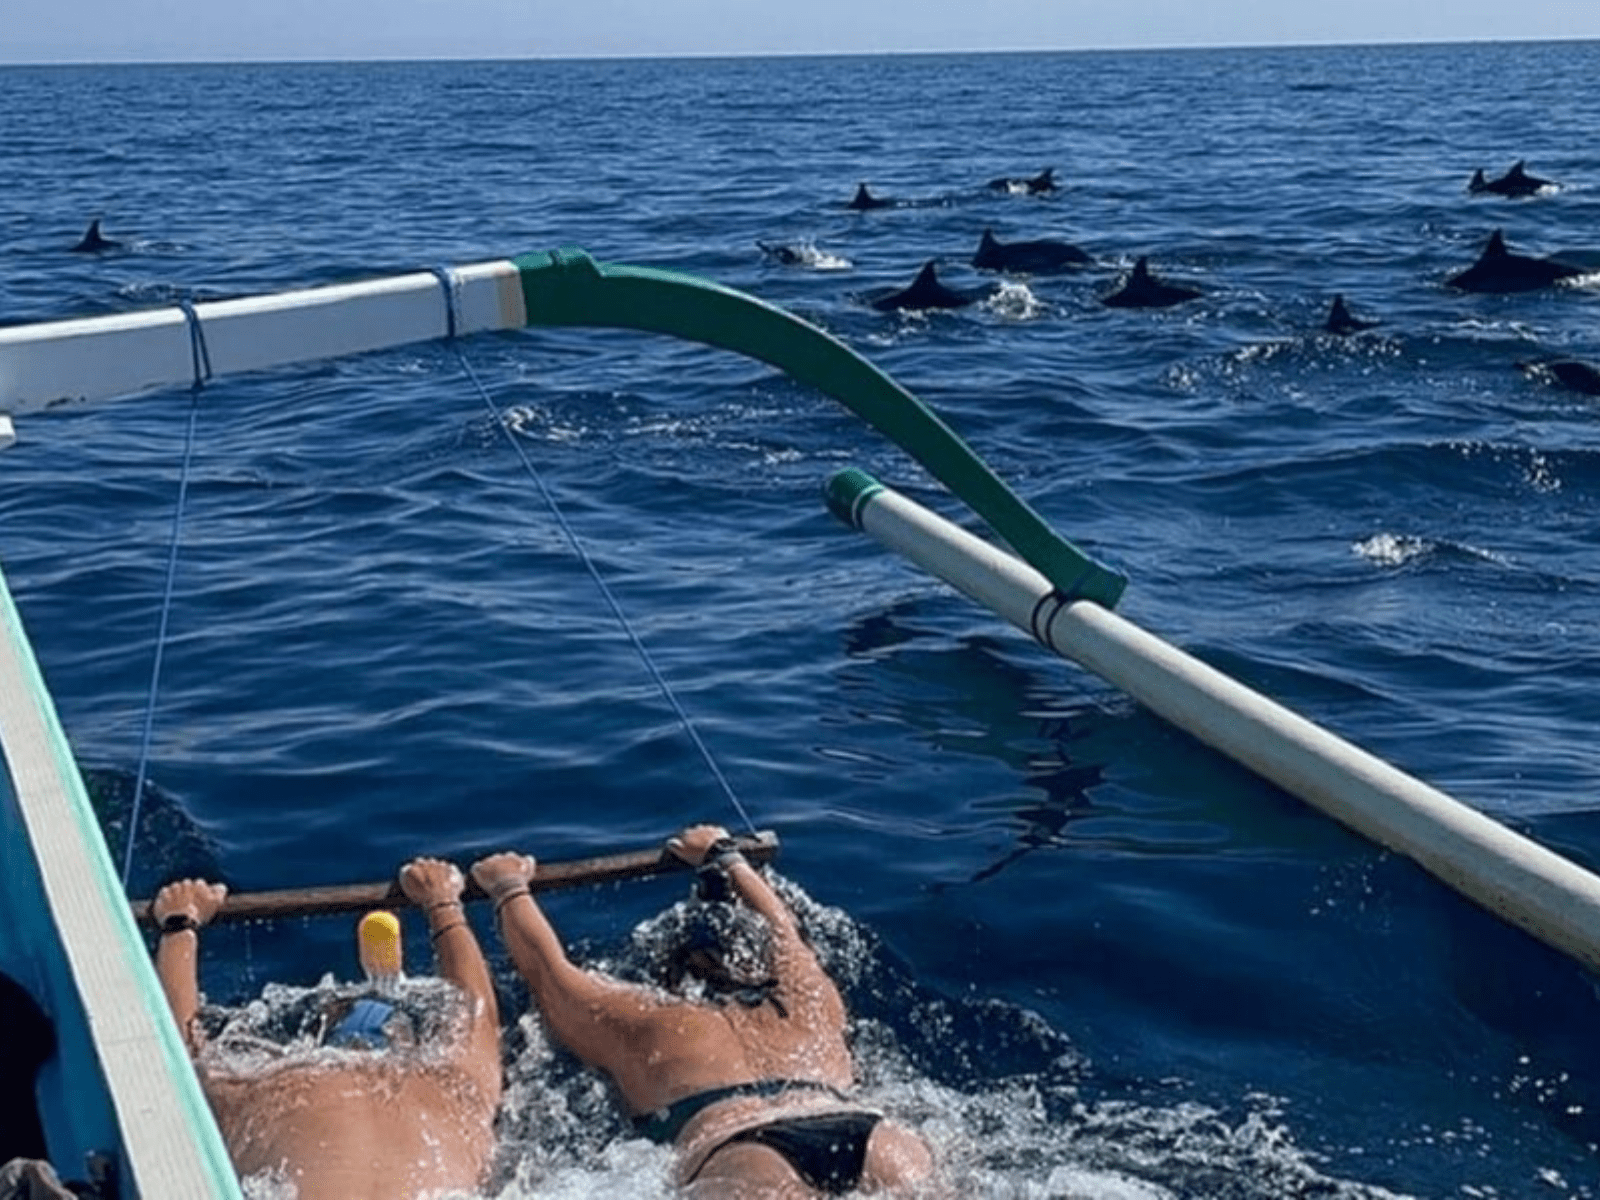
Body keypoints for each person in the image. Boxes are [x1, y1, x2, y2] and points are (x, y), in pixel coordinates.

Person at [471, 825, 940, 1197]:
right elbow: (785, 931)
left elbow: (549, 973)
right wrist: (725, 854)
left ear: (672, 976)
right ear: (753, 966)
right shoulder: (807, 1003)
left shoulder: (645, 1020)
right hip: (870, 1135)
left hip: (746, 1149)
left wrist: (508, 886)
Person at [151, 858, 503, 1200]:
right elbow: (478, 1013)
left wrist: (180, 922)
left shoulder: (275, 1088)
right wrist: (443, 901)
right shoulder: (452, 1088)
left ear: (325, 1042)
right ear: (408, 1045)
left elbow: (180, 1052)